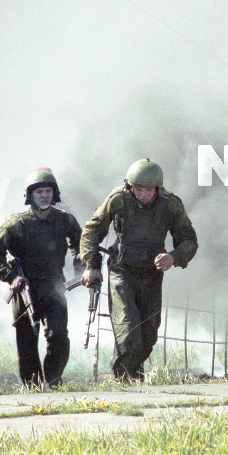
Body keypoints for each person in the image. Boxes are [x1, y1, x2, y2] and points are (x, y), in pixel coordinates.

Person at [79, 158, 198, 382]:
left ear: (158, 188)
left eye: (148, 190)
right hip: (122, 271)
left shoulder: (170, 204)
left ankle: (131, 373)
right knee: (128, 328)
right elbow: (91, 231)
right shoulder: (118, 200)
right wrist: (91, 266)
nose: (143, 194)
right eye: (138, 189)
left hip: (152, 275)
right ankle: (124, 380)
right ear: (129, 186)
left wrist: (173, 257)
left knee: (149, 333)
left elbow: (189, 240)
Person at [0, 168, 82, 388]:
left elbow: (81, 244)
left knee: (59, 338)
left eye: (48, 191)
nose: (44, 196)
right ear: (30, 195)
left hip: (54, 286)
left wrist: (81, 268)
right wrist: (11, 278)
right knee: (27, 342)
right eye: (39, 191)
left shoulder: (64, 220)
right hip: (24, 289)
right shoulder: (16, 224)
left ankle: (54, 381)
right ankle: (34, 388)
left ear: (54, 194)